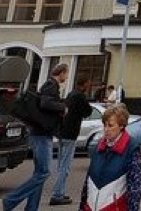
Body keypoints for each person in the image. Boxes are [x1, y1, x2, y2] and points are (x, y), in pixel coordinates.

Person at [3, 63, 68, 211]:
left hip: (41, 133)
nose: (67, 77)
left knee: (39, 173)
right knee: (44, 172)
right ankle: (11, 199)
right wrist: (62, 107)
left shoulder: (49, 85)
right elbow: (46, 103)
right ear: (62, 73)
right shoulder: (51, 85)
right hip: (41, 134)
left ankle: (32, 207)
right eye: (66, 73)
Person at [80, 104, 141, 211]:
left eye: (110, 125)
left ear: (121, 125)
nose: (106, 129)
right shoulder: (99, 146)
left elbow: (134, 188)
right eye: (105, 125)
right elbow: (87, 183)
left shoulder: (130, 148)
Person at [49, 72, 93, 205]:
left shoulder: (70, 94)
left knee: (61, 163)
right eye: (88, 84)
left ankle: (59, 192)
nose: (89, 86)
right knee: (65, 166)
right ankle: (57, 194)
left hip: (63, 132)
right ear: (84, 84)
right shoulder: (80, 96)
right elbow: (88, 111)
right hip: (70, 133)